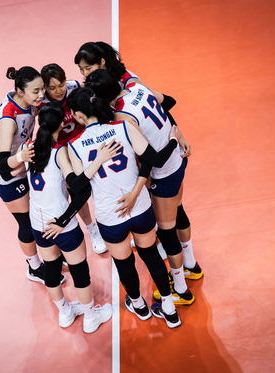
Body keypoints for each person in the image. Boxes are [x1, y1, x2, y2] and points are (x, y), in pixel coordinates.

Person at [78, 45, 204, 282]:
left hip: (164, 171)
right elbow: (170, 101)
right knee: (178, 210)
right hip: (177, 161)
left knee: (167, 232)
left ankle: (179, 287)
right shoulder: (137, 87)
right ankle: (191, 264)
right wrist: (175, 135)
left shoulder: (122, 117)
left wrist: (136, 191)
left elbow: (151, 159)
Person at [66, 87, 182, 328]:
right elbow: (155, 159)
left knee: (124, 263)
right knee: (151, 255)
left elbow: (79, 187)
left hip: (111, 216)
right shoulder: (124, 127)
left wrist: (96, 162)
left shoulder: (74, 145)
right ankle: (170, 310)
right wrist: (173, 140)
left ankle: (139, 306)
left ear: (77, 116)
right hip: (139, 207)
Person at [17, 103, 116, 333]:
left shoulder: (26, 148)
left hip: (38, 224)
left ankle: (64, 312)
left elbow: (10, 170)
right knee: (79, 268)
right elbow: (79, 185)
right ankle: (91, 317)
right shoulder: (59, 151)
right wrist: (98, 160)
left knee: (51, 267)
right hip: (62, 224)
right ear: (61, 124)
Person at [0, 66, 65, 285]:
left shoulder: (28, 103)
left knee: (41, 211)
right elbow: (3, 166)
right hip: (8, 177)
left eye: (42, 89)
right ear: (20, 91)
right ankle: (34, 267)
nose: (42, 95)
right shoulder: (8, 120)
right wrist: (21, 156)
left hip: (23, 165)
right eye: (36, 91)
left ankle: (51, 255)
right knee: (27, 224)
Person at [40, 63, 108, 255]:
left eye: (60, 84)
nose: (58, 90)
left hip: (87, 143)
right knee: (77, 190)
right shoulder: (41, 103)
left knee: (104, 178)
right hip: (65, 152)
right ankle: (93, 229)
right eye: (51, 88)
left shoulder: (76, 87)